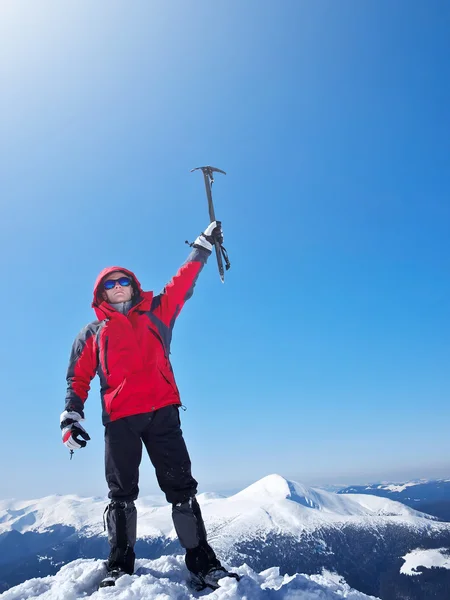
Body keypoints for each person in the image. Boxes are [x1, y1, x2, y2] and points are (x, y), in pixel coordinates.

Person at [60, 221, 239, 590]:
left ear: (133, 285)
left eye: (122, 280)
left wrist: (202, 247)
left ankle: (202, 562)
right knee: (121, 494)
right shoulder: (92, 334)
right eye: (109, 284)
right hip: (120, 420)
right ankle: (120, 566)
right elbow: (78, 379)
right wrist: (71, 417)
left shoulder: (157, 311)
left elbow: (182, 283)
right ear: (101, 294)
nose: (117, 287)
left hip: (163, 414)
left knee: (181, 489)